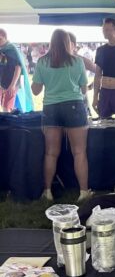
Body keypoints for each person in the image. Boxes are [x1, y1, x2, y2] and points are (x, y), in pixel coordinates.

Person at [31, 29, 91, 202]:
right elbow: (84, 89)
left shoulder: (42, 62)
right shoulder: (77, 61)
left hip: (51, 107)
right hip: (74, 106)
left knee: (51, 153)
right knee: (79, 152)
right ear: (67, 42)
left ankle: (47, 191)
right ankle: (84, 192)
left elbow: (35, 91)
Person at [0, 29, 33, 113]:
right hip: (2, 82)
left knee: (7, 108)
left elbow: (18, 67)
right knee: (4, 106)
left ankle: (7, 125)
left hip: (11, 83)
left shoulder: (12, 49)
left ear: (4, 37)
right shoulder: (2, 50)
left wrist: (12, 85)